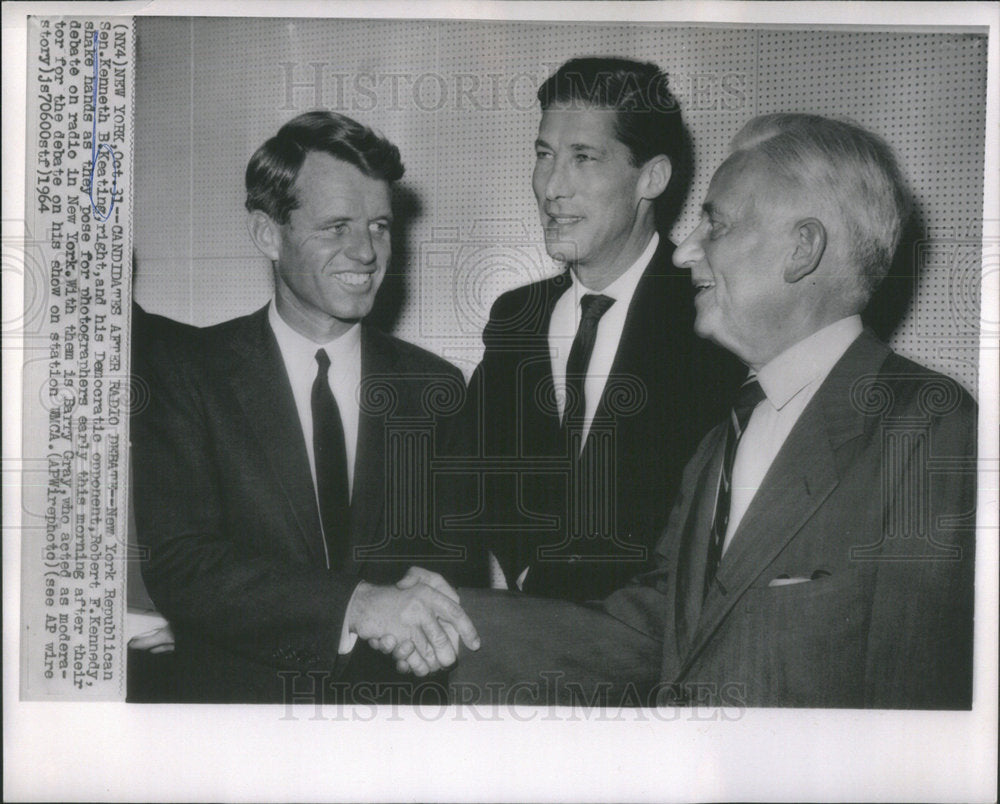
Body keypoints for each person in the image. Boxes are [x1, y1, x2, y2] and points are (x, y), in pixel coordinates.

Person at [437, 113, 978, 709]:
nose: (685, 249)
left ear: (802, 248)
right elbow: (650, 632)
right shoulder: (726, 435)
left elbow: (921, 712)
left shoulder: (928, 427)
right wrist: (432, 619)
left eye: (715, 223)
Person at [131, 111, 479, 703]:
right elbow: (182, 565)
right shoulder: (190, 374)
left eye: (379, 225)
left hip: (390, 727)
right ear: (269, 233)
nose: (366, 252)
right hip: (234, 726)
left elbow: (455, 571)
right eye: (336, 226)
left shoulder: (435, 387)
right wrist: (356, 605)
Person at [459, 57, 742, 601]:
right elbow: (482, 482)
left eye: (583, 158)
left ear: (652, 177)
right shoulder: (513, 318)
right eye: (545, 155)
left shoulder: (712, 319)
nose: (551, 188)